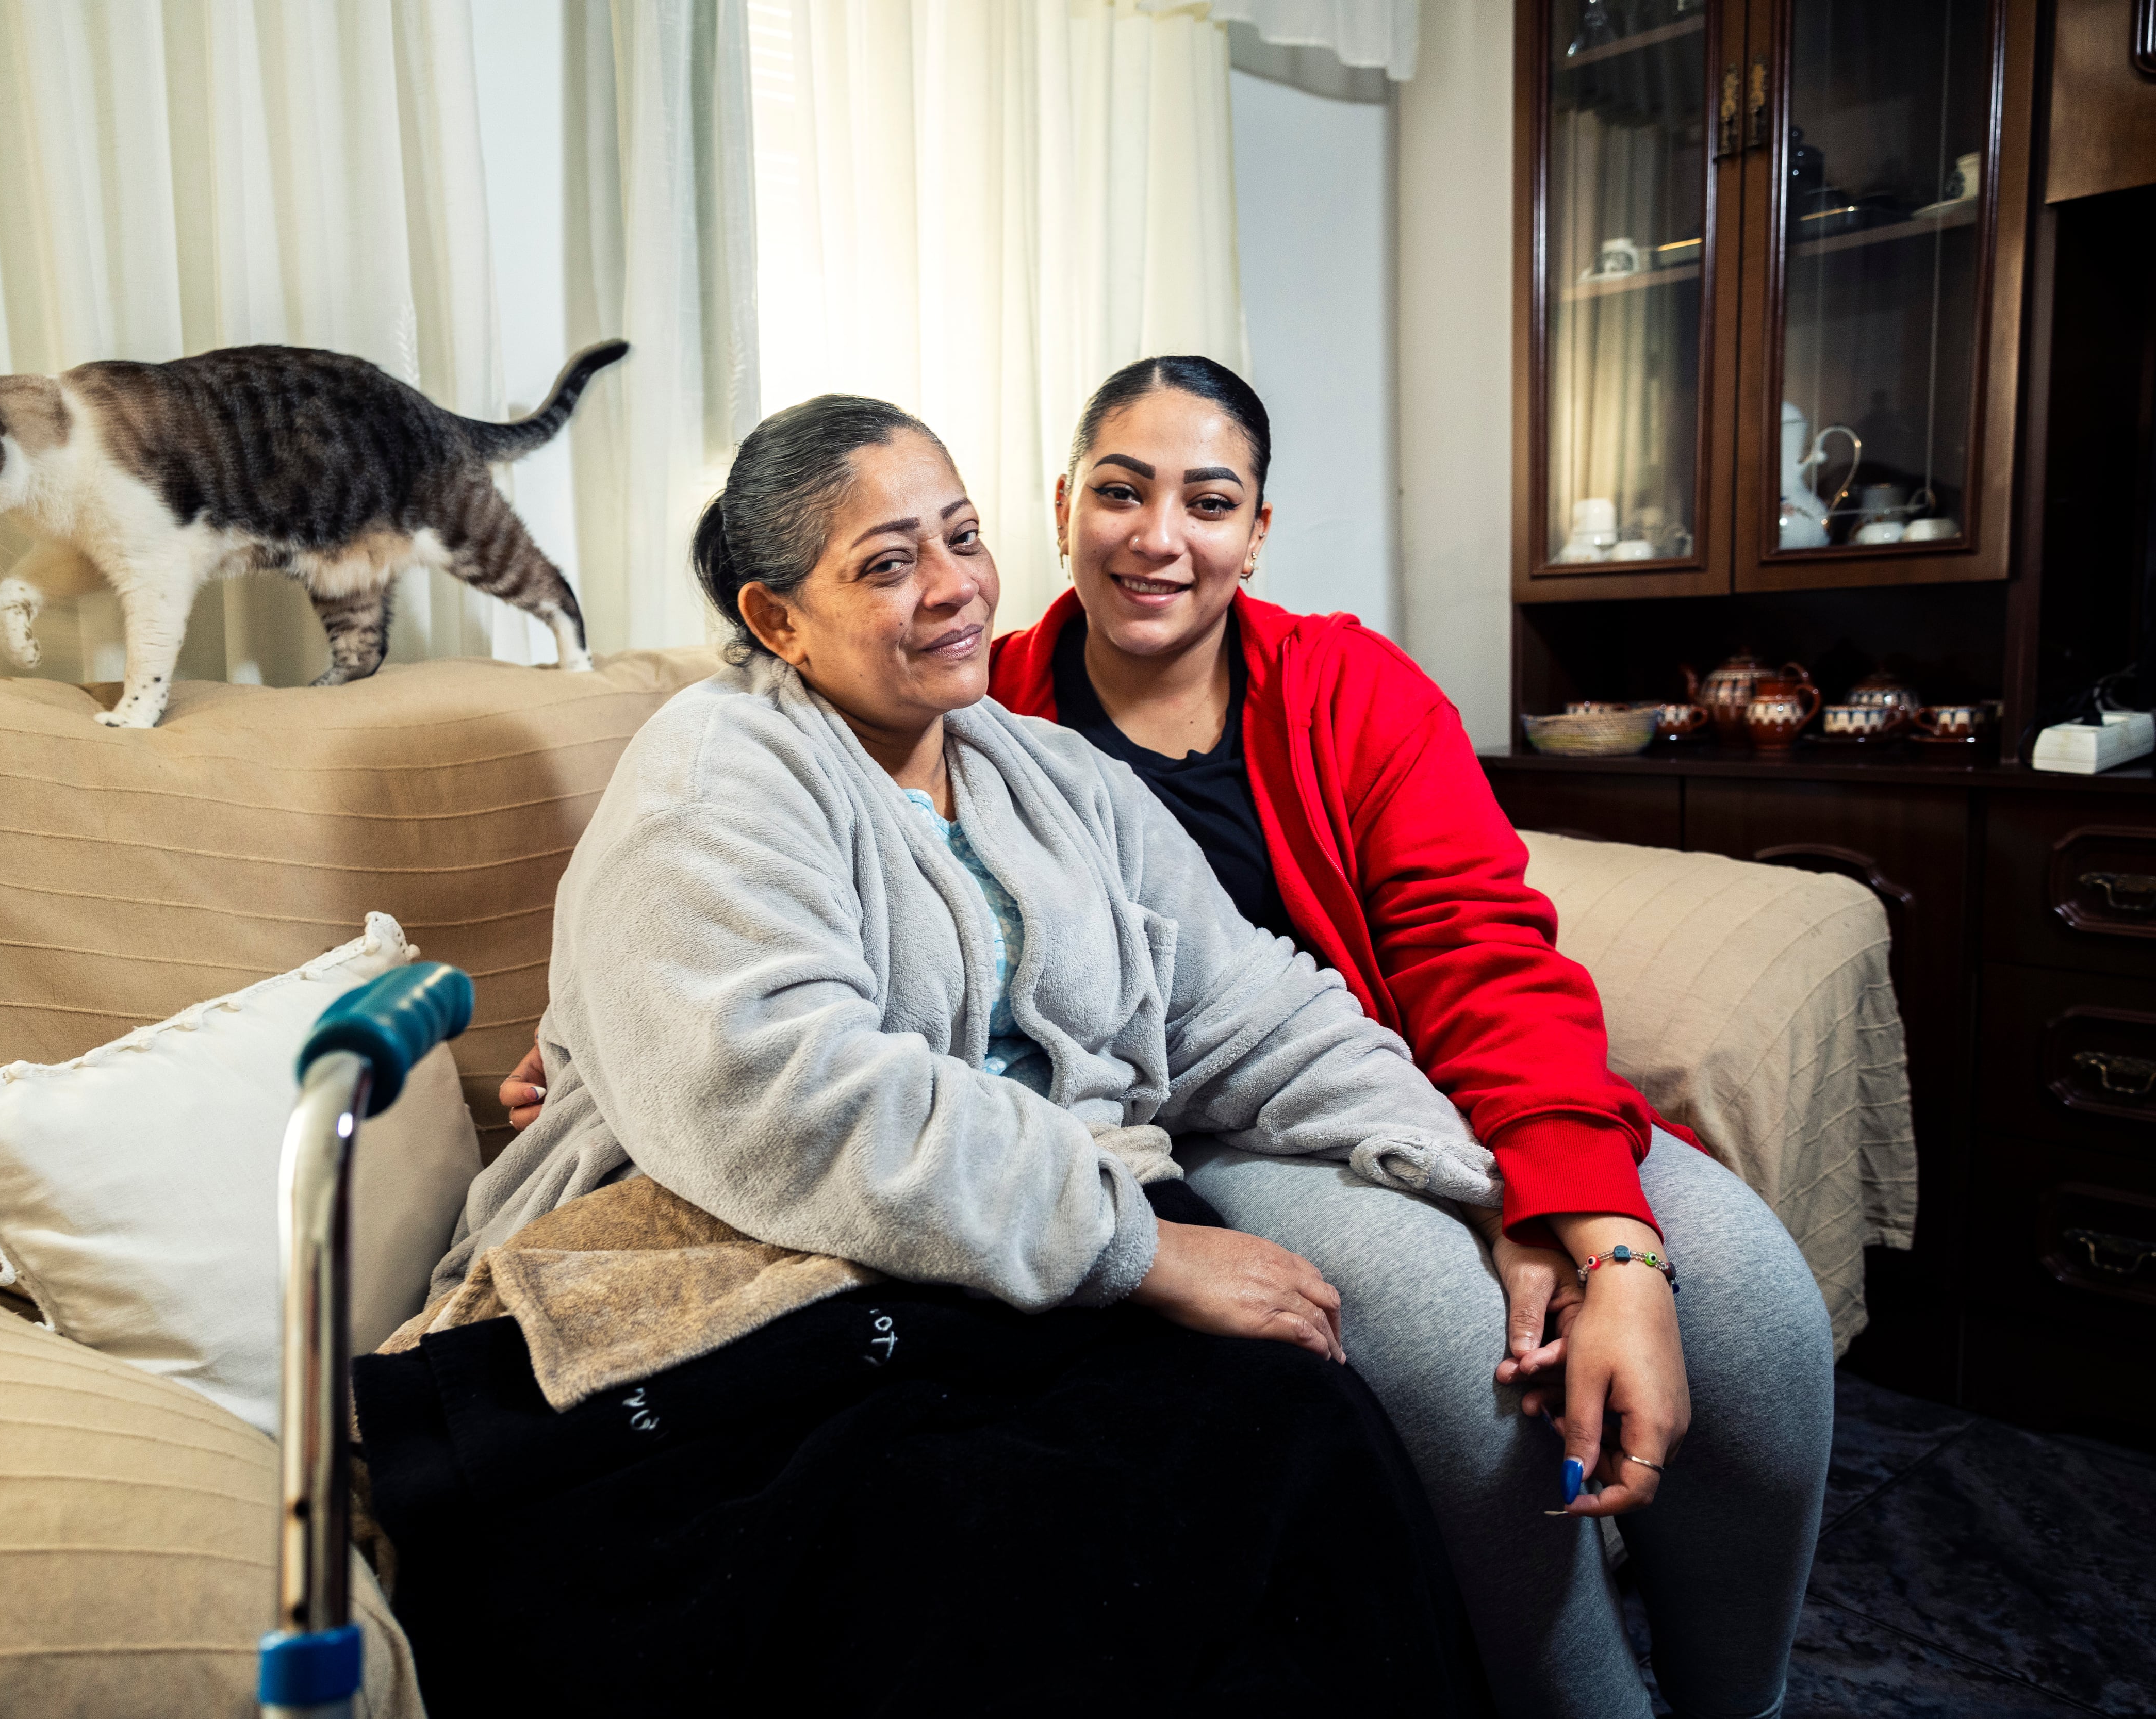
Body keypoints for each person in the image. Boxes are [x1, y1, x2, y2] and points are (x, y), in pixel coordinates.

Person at [426, 391, 1496, 1708]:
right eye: (887, 564)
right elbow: (780, 1092)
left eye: (962, 538)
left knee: (1300, 1429)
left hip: (1031, 1245)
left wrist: (1474, 1183)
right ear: (777, 620)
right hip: (759, 1241)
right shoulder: (712, 775)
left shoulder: (1059, 776)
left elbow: (1251, 1007)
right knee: (974, 1528)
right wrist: (1141, 1248)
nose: (954, 589)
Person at [974, 355, 1837, 1719]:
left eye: (1209, 500)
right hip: (1211, 1126)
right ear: (1065, 503)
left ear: (1257, 531)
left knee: (1748, 1299)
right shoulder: (977, 714)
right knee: (1466, 1358)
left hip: (1410, 1072)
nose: (1159, 538)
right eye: (1122, 493)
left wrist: (1601, 1225)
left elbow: (1478, 949)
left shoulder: (1351, 686)